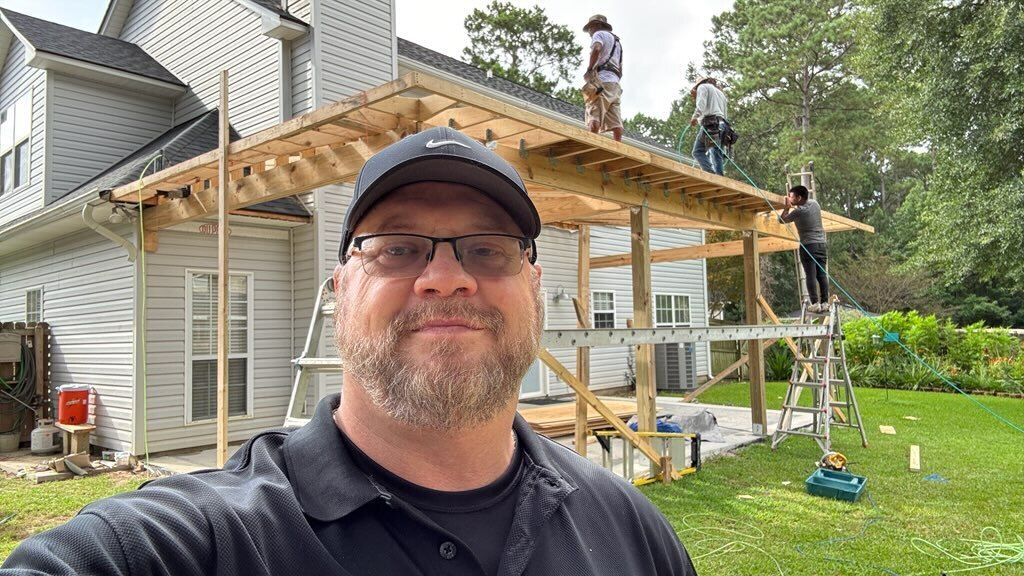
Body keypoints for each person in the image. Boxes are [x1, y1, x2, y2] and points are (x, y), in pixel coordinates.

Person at [1, 126, 697, 576]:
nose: (447, 276)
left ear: (535, 287)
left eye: (488, 249)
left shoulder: (634, 534)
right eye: (397, 248)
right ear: (339, 293)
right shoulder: (199, 545)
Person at [779, 184, 830, 313]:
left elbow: (781, 220)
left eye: (791, 197)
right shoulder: (815, 204)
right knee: (822, 275)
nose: (790, 199)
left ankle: (815, 303)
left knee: (810, 275)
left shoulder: (799, 211)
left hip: (809, 246)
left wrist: (786, 208)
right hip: (821, 245)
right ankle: (824, 303)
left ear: (799, 198)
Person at [582, 14, 624, 142]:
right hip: (615, 84)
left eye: (590, 27)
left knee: (594, 112)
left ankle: (591, 143)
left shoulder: (599, 34)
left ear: (597, 26)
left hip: (602, 81)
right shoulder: (617, 42)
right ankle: (618, 147)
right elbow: (620, 69)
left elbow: (596, 49)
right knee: (615, 120)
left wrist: (590, 69)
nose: (589, 31)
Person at [690, 77, 729, 175]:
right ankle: (719, 177)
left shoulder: (702, 87)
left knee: (698, 151)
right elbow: (724, 113)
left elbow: (701, 105)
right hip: (723, 125)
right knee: (717, 152)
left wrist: (695, 117)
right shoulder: (721, 94)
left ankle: (711, 174)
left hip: (711, 124)